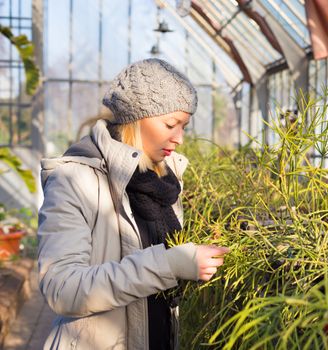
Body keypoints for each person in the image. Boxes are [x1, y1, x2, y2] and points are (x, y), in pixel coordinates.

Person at [37, 58, 230, 350]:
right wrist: (169, 264)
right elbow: (62, 288)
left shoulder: (166, 180)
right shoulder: (74, 180)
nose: (178, 138)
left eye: (184, 126)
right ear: (137, 118)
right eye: (170, 124)